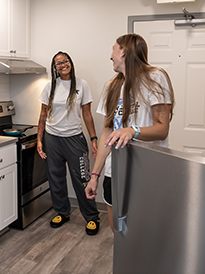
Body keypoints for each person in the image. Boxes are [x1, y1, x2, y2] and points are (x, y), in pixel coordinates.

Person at [85, 33, 175, 232]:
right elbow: (106, 135)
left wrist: (133, 130)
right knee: (118, 230)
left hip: (146, 171)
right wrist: (94, 176)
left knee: (144, 231)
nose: (110, 56)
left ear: (124, 52)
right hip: (114, 171)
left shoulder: (155, 78)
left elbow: (162, 129)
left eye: (113, 49)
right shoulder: (112, 86)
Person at [37, 51, 100, 235]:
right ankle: (62, 212)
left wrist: (94, 138)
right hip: (52, 138)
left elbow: (87, 114)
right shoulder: (50, 87)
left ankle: (91, 216)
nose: (62, 64)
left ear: (70, 63)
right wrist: (39, 139)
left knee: (82, 179)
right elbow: (42, 114)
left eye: (65, 61)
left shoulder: (82, 85)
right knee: (56, 178)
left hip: (74, 139)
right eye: (58, 63)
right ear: (54, 68)